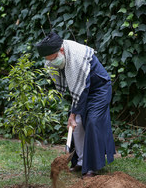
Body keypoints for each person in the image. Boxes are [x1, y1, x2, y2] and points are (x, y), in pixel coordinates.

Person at [36, 32, 115, 178]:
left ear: (61, 50)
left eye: (52, 59)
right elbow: (75, 88)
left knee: (92, 121)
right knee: (76, 124)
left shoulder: (76, 57)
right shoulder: (54, 57)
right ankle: (80, 161)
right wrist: (73, 116)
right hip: (83, 89)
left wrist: (73, 113)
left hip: (99, 89)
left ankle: (92, 167)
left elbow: (82, 89)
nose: (51, 63)